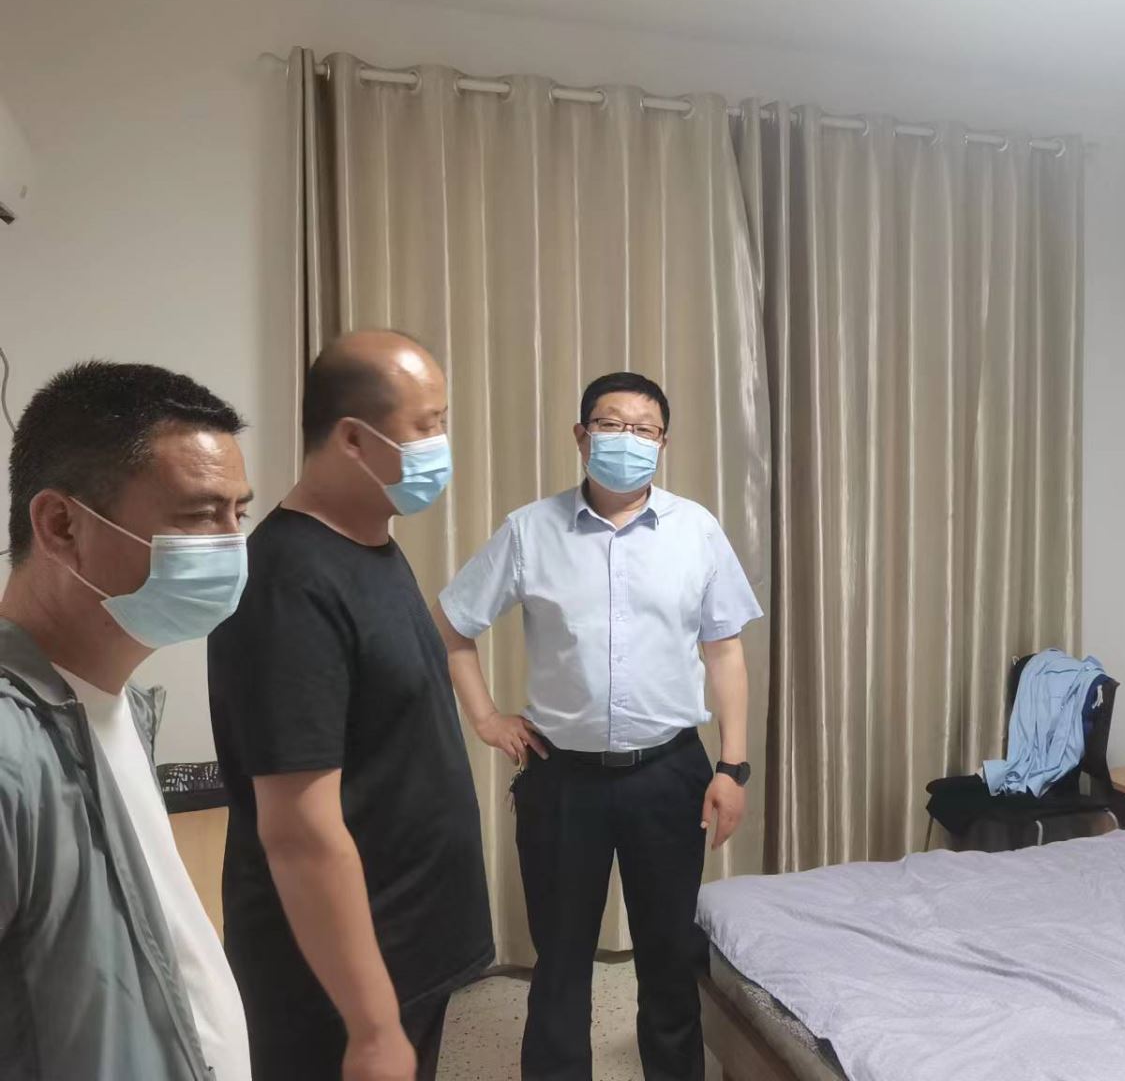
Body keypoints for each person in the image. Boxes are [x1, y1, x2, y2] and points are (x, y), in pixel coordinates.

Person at [436, 371, 760, 1081]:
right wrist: (485, 718)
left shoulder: (696, 530)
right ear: (581, 436)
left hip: (670, 774)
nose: (627, 439)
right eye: (611, 424)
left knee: (668, 955)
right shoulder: (530, 530)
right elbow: (454, 624)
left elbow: (725, 651)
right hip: (563, 778)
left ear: (663, 443)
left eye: (644, 429)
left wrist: (732, 767)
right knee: (560, 961)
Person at [208, 330, 492, 1081]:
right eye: (425, 425)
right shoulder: (288, 584)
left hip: (405, 948)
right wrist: (370, 1026)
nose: (440, 445)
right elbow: (299, 831)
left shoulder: (367, 545)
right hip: (332, 990)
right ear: (354, 440)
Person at [0, 361, 254, 1080]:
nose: (232, 545)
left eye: (239, 514)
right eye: (199, 515)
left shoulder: (114, 709)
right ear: (61, 525)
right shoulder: (11, 750)